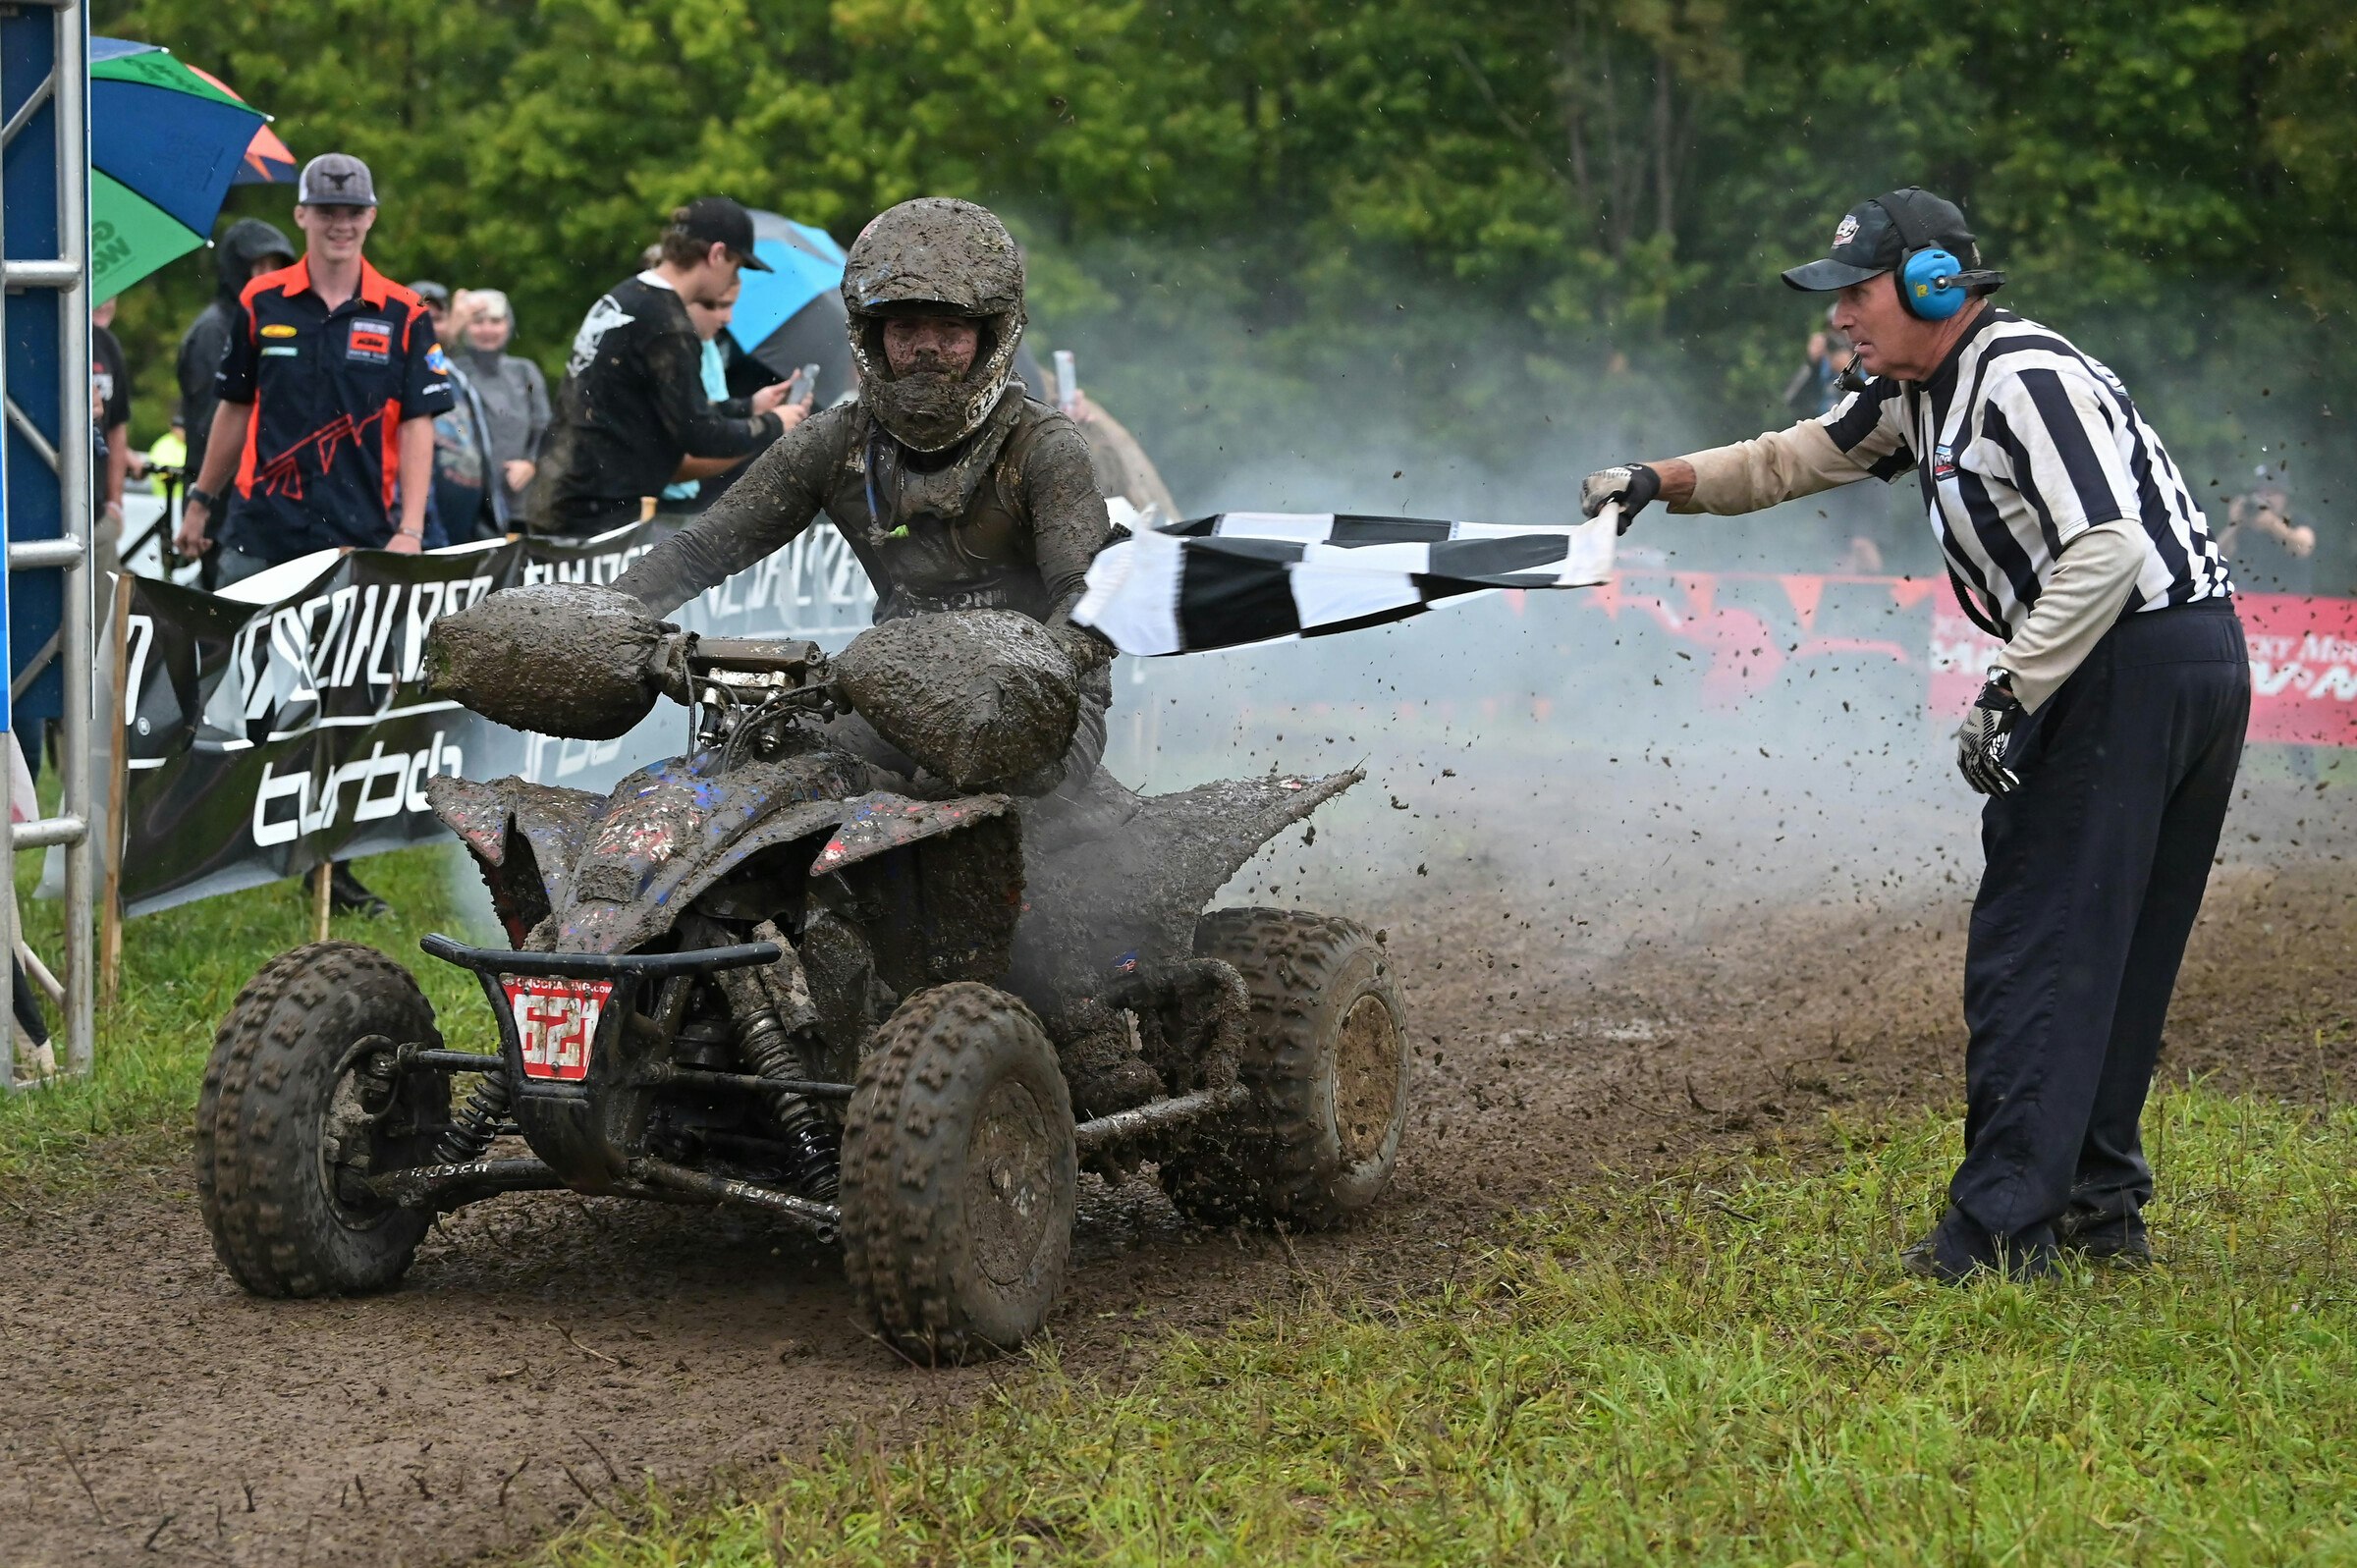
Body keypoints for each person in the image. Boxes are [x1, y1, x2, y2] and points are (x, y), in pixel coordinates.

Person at [1583, 188, 2247, 1283]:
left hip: (2124, 656)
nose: (1842, 315)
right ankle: (2096, 1203)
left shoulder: (2020, 375)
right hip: (2173, 656)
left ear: (1938, 283)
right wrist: (1659, 481)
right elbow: (1792, 457)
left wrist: (2011, 689)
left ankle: (1997, 1235)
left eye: (1859, 291)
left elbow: (2110, 547)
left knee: (2035, 949)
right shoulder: (1919, 391)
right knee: (2112, 948)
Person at [612, 196, 1115, 789]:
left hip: (1046, 710)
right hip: (897, 689)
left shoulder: (1045, 447)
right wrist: (608, 617)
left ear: (990, 334)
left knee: (963, 794)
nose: (926, 346)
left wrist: (1029, 669)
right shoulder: (837, 441)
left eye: (950, 328)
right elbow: (703, 549)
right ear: (873, 336)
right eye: (905, 328)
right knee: (766, 777)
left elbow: (1088, 601)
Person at [173, 152, 456, 918]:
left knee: (344, 703)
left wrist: (409, 529)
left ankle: (329, 865)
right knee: (248, 695)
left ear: (369, 217)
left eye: (353, 210)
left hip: (360, 536)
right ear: (301, 216)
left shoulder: (401, 312)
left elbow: (423, 424)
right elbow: (232, 411)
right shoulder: (262, 301)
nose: (340, 223)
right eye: (326, 210)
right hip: (262, 529)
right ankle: (218, 847)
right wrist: (200, 500)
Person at [531, 198, 802, 533]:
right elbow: (698, 434)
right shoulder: (668, 323)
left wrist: (748, 405)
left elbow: (646, 409)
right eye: (735, 267)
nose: (732, 280)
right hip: (599, 513)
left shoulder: (625, 296)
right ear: (717, 254)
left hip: (561, 493)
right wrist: (774, 424)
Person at [175, 217, 295, 506]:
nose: (270, 277)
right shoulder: (214, 330)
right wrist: (204, 503)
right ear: (238, 270)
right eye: (261, 267)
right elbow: (212, 420)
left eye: (277, 268)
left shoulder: (269, 325)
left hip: (259, 495)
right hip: (220, 496)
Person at [411, 282, 506, 542]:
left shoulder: (453, 373)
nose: (429, 324)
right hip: (422, 534)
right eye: (420, 318)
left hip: (466, 533)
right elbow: (422, 353)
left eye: (437, 319)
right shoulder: (400, 372)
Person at [455, 288, 549, 517]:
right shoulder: (452, 372)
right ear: (464, 326)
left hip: (519, 500)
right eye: (478, 322)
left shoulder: (524, 372)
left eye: (496, 321)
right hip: (467, 500)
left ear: (508, 324)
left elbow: (546, 428)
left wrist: (531, 463)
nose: (487, 329)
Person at [2219, 463, 2315, 596]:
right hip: (2248, 601)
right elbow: (2217, 558)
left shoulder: (2298, 519)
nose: (2265, 497)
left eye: (2272, 492)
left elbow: (2303, 547)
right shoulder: (2246, 524)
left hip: (2290, 602)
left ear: (2285, 495)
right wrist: (2234, 525)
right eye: (2259, 492)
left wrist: (2273, 524)